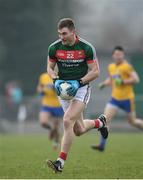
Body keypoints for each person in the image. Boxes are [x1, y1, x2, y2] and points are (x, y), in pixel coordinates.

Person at [46, 18, 108, 173]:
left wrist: (78, 83)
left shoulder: (86, 48)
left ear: (73, 32)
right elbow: (50, 68)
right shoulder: (54, 48)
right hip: (63, 90)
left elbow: (95, 72)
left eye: (64, 33)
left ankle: (60, 163)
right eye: (59, 34)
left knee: (67, 121)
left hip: (81, 88)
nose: (61, 37)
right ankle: (99, 123)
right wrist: (55, 80)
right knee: (78, 130)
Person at [91, 46, 143, 152]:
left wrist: (123, 82)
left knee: (132, 121)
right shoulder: (111, 67)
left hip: (127, 99)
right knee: (105, 120)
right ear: (113, 55)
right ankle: (101, 145)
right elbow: (111, 80)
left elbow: (136, 79)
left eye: (120, 54)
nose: (118, 56)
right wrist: (103, 84)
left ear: (123, 55)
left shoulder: (127, 67)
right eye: (116, 54)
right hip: (115, 98)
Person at [37, 72, 64, 150]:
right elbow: (39, 86)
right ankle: (51, 128)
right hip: (46, 104)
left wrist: (54, 88)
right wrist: (41, 90)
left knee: (57, 126)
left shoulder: (60, 77)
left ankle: (56, 141)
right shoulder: (43, 76)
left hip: (58, 105)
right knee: (43, 122)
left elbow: (63, 91)